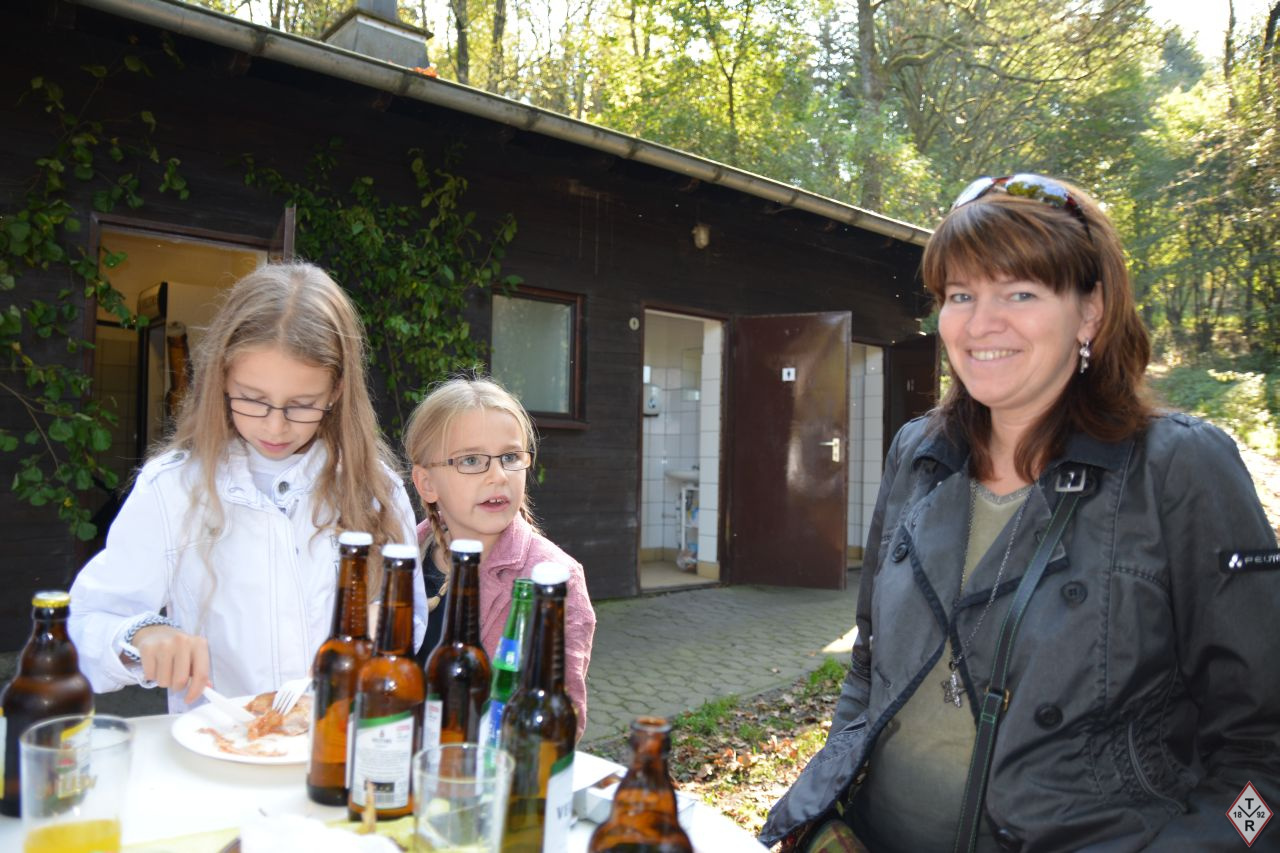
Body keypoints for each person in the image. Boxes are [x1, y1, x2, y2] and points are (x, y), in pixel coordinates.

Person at [762, 174, 1280, 852]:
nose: (981, 323)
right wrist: (824, 802)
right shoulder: (919, 452)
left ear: (1090, 312)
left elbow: (1263, 755)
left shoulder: (1181, 468)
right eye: (960, 295)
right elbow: (868, 661)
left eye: (1021, 293)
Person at [70, 262, 427, 712]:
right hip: (219, 743)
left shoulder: (376, 489)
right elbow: (84, 624)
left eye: (302, 405)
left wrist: (384, 625)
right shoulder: (173, 489)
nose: (275, 426)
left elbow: (409, 615)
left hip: (341, 738)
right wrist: (141, 636)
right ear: (222, 377)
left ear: (337, 390)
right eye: (253, 399)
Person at [402, 375, 596, 738]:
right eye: (471, 460)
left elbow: (559, 724)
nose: (498, 476)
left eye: (510, 457)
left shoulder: (554, 581)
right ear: (426, 483)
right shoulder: (397, 562)